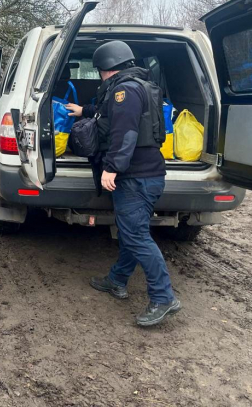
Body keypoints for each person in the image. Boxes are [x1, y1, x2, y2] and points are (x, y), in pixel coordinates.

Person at [65, 40, 181, 327]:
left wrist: (111, 169)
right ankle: (117, 280)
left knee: (135, 236)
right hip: (147, 175)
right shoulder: (136, 85)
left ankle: (163, 297)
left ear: (105, 68)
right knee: (133, 231)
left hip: (136, 177)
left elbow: (125, 132)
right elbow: (112, 119)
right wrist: (85, 111)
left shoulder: (123, 91)